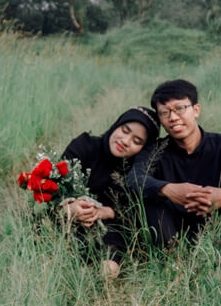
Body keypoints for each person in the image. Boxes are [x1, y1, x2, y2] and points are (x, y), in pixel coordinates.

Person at [128, 79, 221, 248]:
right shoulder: (154, 151)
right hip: (171, 229)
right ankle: (171, 258)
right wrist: (167, 189)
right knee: (149, 198)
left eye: (179, 108)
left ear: (196, 110)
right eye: (164, 112)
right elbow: (134, 178)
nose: (173, 118)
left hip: (215, 222)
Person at [61, 106, 158, 276]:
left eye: (137, 141)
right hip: (66, 217)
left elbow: (139, 211)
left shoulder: (139, 172)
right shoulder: (85, 145)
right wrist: (70, 207)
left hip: (109, 228)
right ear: (116, 125)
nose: (125, 141)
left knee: (109, 269)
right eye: (124, 130)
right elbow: (55, 185)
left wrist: (107, 212)